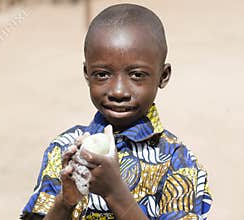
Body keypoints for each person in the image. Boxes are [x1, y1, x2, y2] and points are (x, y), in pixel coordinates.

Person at [20, 3, 212, 220]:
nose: (118, 91)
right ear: (87, 74)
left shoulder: (177, 163)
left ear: (163, 76)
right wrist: (65, 201)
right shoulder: (64, 149)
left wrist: (114, 193)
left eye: (137, 75)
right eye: (102, 74)